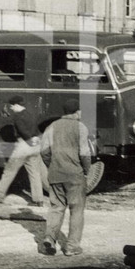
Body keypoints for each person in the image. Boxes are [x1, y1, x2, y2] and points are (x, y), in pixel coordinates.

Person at [39, 98, 93, 256]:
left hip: (56, 174)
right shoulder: (80, 127)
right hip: (75, 175)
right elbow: (84, 153)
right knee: (76, 210)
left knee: (56, 208)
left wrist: (52, 165)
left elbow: (44, 151)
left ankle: (49, 238)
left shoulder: (52, 126)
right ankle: (71, 246)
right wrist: (86, 170)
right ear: (77, 112)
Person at [0, 95, 45, 204]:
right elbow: (36, 130)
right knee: (34, 173)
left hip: (23, 145)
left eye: (12, 106)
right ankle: (38, 199)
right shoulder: (31, 113)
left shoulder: (17, 117)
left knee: (9, 170)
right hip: (35, 146)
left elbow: (23, 131)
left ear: (16, 105)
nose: (11, 108)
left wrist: (29, 140)